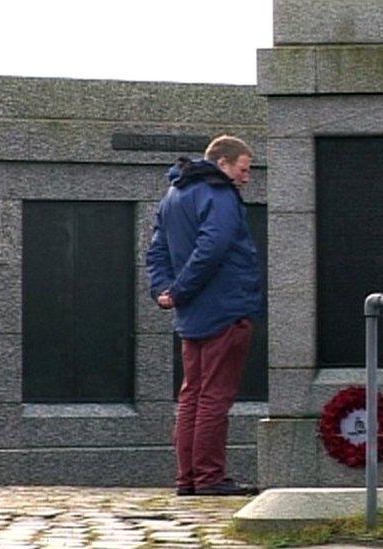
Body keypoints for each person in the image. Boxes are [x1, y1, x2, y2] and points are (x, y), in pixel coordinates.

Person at [146, 135, 261, 496]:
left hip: (191, 314)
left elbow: (156, 251)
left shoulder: (173, 196)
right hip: (224, 308)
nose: (246, 178)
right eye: (243, 169)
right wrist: (180, 290)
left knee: (191, 395)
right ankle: (209, 477)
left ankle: (187, 479)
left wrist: (165, 290)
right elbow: (213, 247)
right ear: (223, 163)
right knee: (214, 396)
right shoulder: (219, 194)